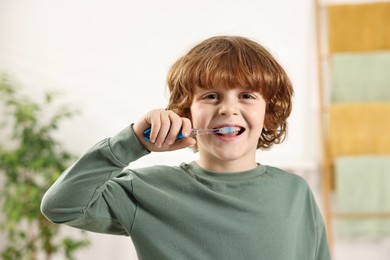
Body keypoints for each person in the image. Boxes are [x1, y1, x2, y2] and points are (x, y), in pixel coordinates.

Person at [41, 35, 331, 260]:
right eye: (211, 96)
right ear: (186, 112)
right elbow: (61, 207)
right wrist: (132, 142)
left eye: (246, 95)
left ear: (269, 113)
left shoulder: (296, 193)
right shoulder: (145, 190)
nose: (228, 109)